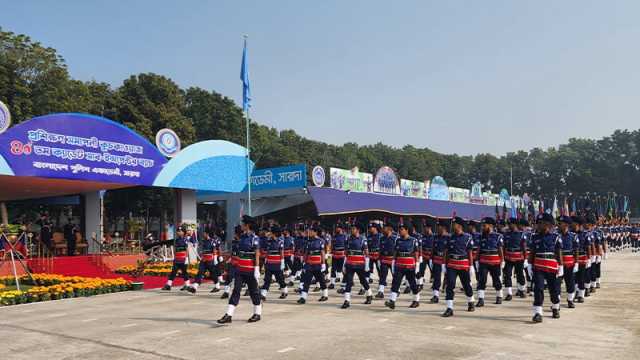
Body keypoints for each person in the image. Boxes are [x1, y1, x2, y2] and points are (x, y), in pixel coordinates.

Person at [217, 216, 262, 324]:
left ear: (247, 225)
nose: (241, 226)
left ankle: (257, 313)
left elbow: (256, 254)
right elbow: (238, 253)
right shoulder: (242, 237)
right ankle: (229, 315)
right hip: (240, 269)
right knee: (236, 290)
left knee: (254, 292)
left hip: (250, 269)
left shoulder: (254, 238)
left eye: (243, 224)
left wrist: (257, 268)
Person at [528, 213, 563, 323]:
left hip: (552, 267)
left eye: (540, 224)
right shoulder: (534, 237)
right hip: (538, 267)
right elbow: (532, 252)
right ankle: (538, 312)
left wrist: (561, 266)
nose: (538, 226)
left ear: (548, 225)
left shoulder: (556, 237)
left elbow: (558, 253)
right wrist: (529, 264)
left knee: (553, 290)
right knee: (538, 288)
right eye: (537, 223)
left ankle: (555, 307)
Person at [442, 217, 475, 317]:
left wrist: (471, 266)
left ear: (459, 226)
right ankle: (449, 308)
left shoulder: (468, 237)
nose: (452, 225)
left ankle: (471, 301)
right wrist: (444, 264)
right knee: (450, 285)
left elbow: (470, 253)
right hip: (452, 264)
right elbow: (446, 252)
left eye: (454, 224)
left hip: (463, 264)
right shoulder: (450, 237)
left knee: (466, 286)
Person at [384, 222, 420, 309]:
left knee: (412, 284)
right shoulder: (398, 240)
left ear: (407, 230)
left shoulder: (413, 240)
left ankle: (416, 300)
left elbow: (416, 254)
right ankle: (392, 301)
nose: (400, 231)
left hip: (410, 267)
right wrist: (393, 262)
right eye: (399, 229)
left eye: (402, 229)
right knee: (395, 283)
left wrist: (417, 266)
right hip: (399, 266)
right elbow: (395, 253)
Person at [341, 223, 372, 309]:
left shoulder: (362, 239)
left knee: (363, 280)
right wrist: (344, 263)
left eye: (353, 228)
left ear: (358, 230)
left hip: (359, 264)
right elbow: (346, 253)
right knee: (349, 282)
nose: (352, 230)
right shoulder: (348, 239)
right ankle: (347, 301)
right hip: (350, 264)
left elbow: (366, 253)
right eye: (351, 228)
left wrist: (367, 264)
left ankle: (369, 294)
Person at [476, 217, 504, 307]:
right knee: (482, 280)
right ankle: (481, 299)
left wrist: (502, 260)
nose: (482, 228)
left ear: (490, 226)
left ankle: (499, 296)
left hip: (495, 262)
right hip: (483, 261)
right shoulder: (481, 236)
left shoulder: (497, 236)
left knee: (496, 280)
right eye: (482, 226)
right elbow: (479, 250)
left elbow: (500, 250)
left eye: (484, 226)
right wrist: (477, 261)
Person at [297, 226, 328, 304]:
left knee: (321, 280)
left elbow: (322, 253)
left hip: (317, 264)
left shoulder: (321, 241)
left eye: (311, 231)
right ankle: (303, 297)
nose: (309, 233)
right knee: (307, 280)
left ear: (315, 232)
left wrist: (323, 264)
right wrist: (304, 262)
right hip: (309, 264)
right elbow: (306, 253)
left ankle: (325, 294)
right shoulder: (308, 241)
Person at [261, 226, 288, 300]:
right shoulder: (268, 241)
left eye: (271, 232)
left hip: (277, 264)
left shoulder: (280, 241)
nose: (270, 233)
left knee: (280, 279)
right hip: (269, 264)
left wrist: (282, 263)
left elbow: (281, 253)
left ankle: (284, 291)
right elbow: (267, 252)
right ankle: (263, 294)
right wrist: (265, 261)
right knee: (267, 280)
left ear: (275, 233)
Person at [502, 218, 527, 300]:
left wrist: (525, 258)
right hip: (508, 257)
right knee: (507, 275)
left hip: (518, 257)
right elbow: (504, 246)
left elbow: (524, 247)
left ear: (515, 224)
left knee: (520, 275)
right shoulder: (506, 234)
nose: (509, 226)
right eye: (508, 224)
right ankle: (509, 293)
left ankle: (521, 290)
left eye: (510, 224)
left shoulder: (521, 234)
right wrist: (503, 258)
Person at [557, 216, 578, 308]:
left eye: (560, 224)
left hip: (569, 263)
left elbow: (576, 250)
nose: (559, 225)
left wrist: (576, 263)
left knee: (570, 282)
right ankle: (556, 302)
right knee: (556, 283)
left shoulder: (573, 236)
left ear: (566, 225)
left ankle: (570, 300)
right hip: (558, 263)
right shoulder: (555, 235)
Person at [162, 225, 192, 291]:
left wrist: (187, 258)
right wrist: (173, 257)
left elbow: (187, 249)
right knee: (173, 272)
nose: (179, 232)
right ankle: (168, 285)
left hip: (183, 259)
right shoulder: (176, 240)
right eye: (178, 231)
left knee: (184, 272)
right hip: (177, 259)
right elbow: (175, 249)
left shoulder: (185, 240)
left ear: (183, 232)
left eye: (180, 231)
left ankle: (187, 285)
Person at [430, 219, 450, 304]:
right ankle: (435, 295)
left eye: (439, 227)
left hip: (447, 260)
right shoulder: (436, 237)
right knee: (436, 278)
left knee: (449, 279)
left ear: (444, 228)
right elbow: (433, 249)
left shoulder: (449, 237)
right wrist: (431, 259)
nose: (438, 228)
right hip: (437, 259)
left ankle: (448, 294)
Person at [574, 216, 593, 303]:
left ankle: (581, 295)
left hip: (582, 257)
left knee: (581, 276)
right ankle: (576, 292)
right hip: (572, 258)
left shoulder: (585, 234)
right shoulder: (572, 234)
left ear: (579, 225)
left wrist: (589, 258)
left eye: (574, 224)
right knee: (574, 277)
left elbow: (588, 247)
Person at [376, 222, 397, 298]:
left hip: (392, 260)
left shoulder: (395, 238)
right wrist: (379, 259)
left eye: (384, 228)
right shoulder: (382, 238)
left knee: (395, 276)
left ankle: (396, 290)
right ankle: (381, 292)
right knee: (382, 276)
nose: (383, 229)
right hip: (384, 260)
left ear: (389, 229)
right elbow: (380, 249)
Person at [221, 225, 241, 299]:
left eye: (235, 233)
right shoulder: (234, 241)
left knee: (245, 278)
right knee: (229, 276)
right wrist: (227, 255)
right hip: (233, 262)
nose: (234, 235)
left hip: (241, 263)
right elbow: (232, 252)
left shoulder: (242, 242)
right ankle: (226, 292)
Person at [417, 218, 435, 292]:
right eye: (424, 227)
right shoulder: (422, 236)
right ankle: (420, 284)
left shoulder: (434, 236)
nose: (425, 229)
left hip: (431, 256)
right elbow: (420, 246)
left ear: (429, 228)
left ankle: (434, 284)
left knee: (434, 271)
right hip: (424, 255)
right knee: (421, 270)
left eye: (426, 228)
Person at [329, 223, 347, 290]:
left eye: (338, 228)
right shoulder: (334, 236)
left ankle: (346, 281)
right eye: (336, 228)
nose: (336, 229)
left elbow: (346, 245)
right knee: (333, 269)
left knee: (343, 269)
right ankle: (332, 283)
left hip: (342, 255)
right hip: (334, 255)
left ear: (341, 229)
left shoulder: (345, 236)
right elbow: (332, 245)